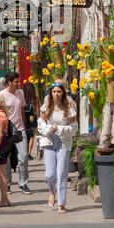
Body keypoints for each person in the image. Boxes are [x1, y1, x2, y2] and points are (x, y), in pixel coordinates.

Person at [38, 81, 78, 214]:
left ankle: (62, 203)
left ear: (63, 93)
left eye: (59, 92)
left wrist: (60, 129)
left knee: (61, 173)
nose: (56, 94)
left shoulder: (69, 108)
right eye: (54, 92)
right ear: (51, 93)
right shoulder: (46, 107)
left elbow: (74, 128)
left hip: (63, 141)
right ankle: (52, 191)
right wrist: (49, 128)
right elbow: (40, 125)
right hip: (49, 141)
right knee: (50, 175)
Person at [0, 71, 32, 195]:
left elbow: (22, 110)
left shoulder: (20, 93)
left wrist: (23, 126)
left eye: (19, 81)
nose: (19, 83)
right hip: (6, 130)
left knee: (23, 156)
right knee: (6, 159)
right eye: (16, 81)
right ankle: (7, 184)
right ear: (9, 82)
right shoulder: (1, 95)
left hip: (20, 129)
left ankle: (23, 183)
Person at [23, 82, 40, 160]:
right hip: (33, 117)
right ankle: (29, 153)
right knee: (32, 136)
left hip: (24, 117)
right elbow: (37, 110)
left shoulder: (22, 97)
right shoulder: (35, 98)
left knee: (24, 134)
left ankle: (24, 151)